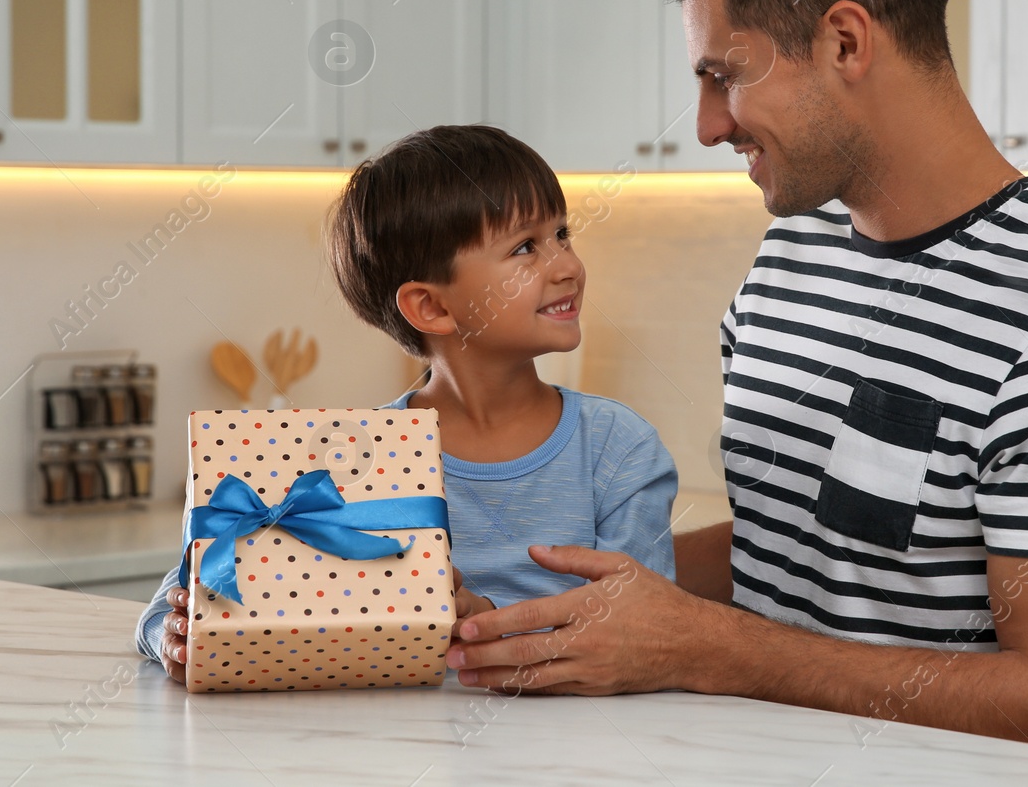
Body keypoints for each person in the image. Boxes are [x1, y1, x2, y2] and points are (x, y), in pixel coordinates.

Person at [443, 0, 1028, 754]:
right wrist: (501, 591)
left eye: (725, 74)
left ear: (845, 41)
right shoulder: (791, 257)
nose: (711, 123)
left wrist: (705, 645)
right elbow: (786, 548)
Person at [135, 124, 679, 681]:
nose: (567, 265)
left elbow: (647, 639)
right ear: (432, 308)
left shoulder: (619, 449)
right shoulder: (355, 455)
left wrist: (489, 627)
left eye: (562, 234)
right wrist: (176, 638)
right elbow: (162, 610)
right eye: (525, 248)